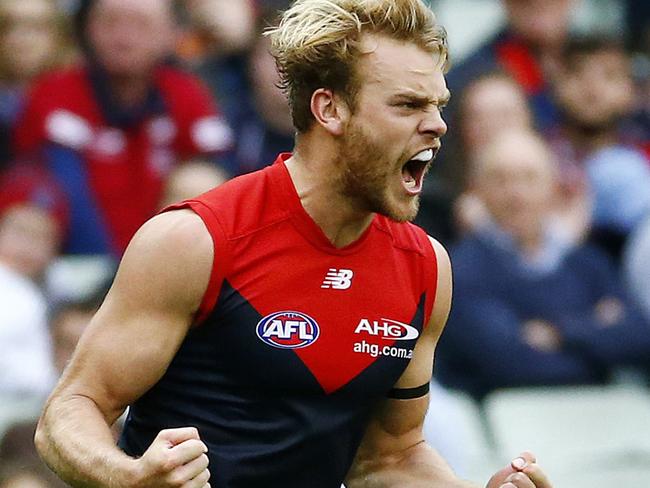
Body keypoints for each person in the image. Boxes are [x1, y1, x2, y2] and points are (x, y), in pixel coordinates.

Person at [35, 1, 553, 487]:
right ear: (329, 109)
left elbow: (388, 456)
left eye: (439, 105)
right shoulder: (198, 239)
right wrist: (126, 476)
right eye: (407, 105)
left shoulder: (425, 266)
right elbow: (70, 411)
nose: (438, 124)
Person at [435, 129, 650, 399]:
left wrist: (559, 333)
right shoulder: (459, 270)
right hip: (502, 423)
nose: (516, 193)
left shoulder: (587, 262)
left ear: (553, 186)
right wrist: (597, 330)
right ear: (477, 189)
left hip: (598, 415)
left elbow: (641, 338)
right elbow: (512, 365)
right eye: (500, 179)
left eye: (529, 178)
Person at [13, 0, 233, 256]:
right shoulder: (54, 95)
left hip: (166, 263)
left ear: (171, 33)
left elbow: (224, 176)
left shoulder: (187, 94)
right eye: (111, 22)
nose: (124, 36)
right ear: (87, 27)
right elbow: (64, 190)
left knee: (200, 180)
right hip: (72, 265)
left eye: (142, 24)